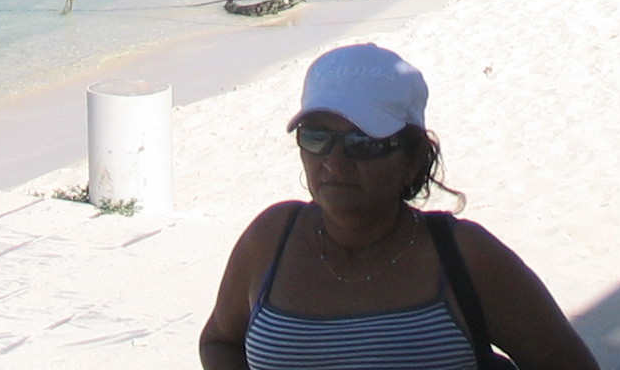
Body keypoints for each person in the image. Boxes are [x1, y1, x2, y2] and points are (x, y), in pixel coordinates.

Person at [200, 44, 598, 370]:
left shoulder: (465, 257)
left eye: (363, 143)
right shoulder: (271, 238)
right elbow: (219, 341)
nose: (334, 162)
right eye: (317, 137)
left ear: (414, 157)